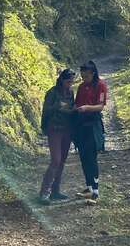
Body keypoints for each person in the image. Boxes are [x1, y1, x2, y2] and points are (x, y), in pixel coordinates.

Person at [39, 68, 76, 205]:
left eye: (72, 82)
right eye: (68, 81)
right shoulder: (52, 92)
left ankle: (56, 191)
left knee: (62, 161)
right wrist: (57, 107)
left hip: (67, 129)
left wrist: (72, 110)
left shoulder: (71, 92)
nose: (70, 84)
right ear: (61, 79)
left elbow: (71, 107)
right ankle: (44, 192)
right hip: (54, 129)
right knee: (55, 160)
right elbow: (46, 110)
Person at [74, 60, 107, 205]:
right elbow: (77, 104)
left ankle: (95, 192)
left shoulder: (100, 85)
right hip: (81, 124)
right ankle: (88, 187)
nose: (84, 79)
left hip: (93, 124)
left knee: (92, 158)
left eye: (86, 76)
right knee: (83, 156)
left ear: (92, 73)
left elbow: (100, 106)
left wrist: (87, 108)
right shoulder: (81, 87)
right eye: (82, 76)